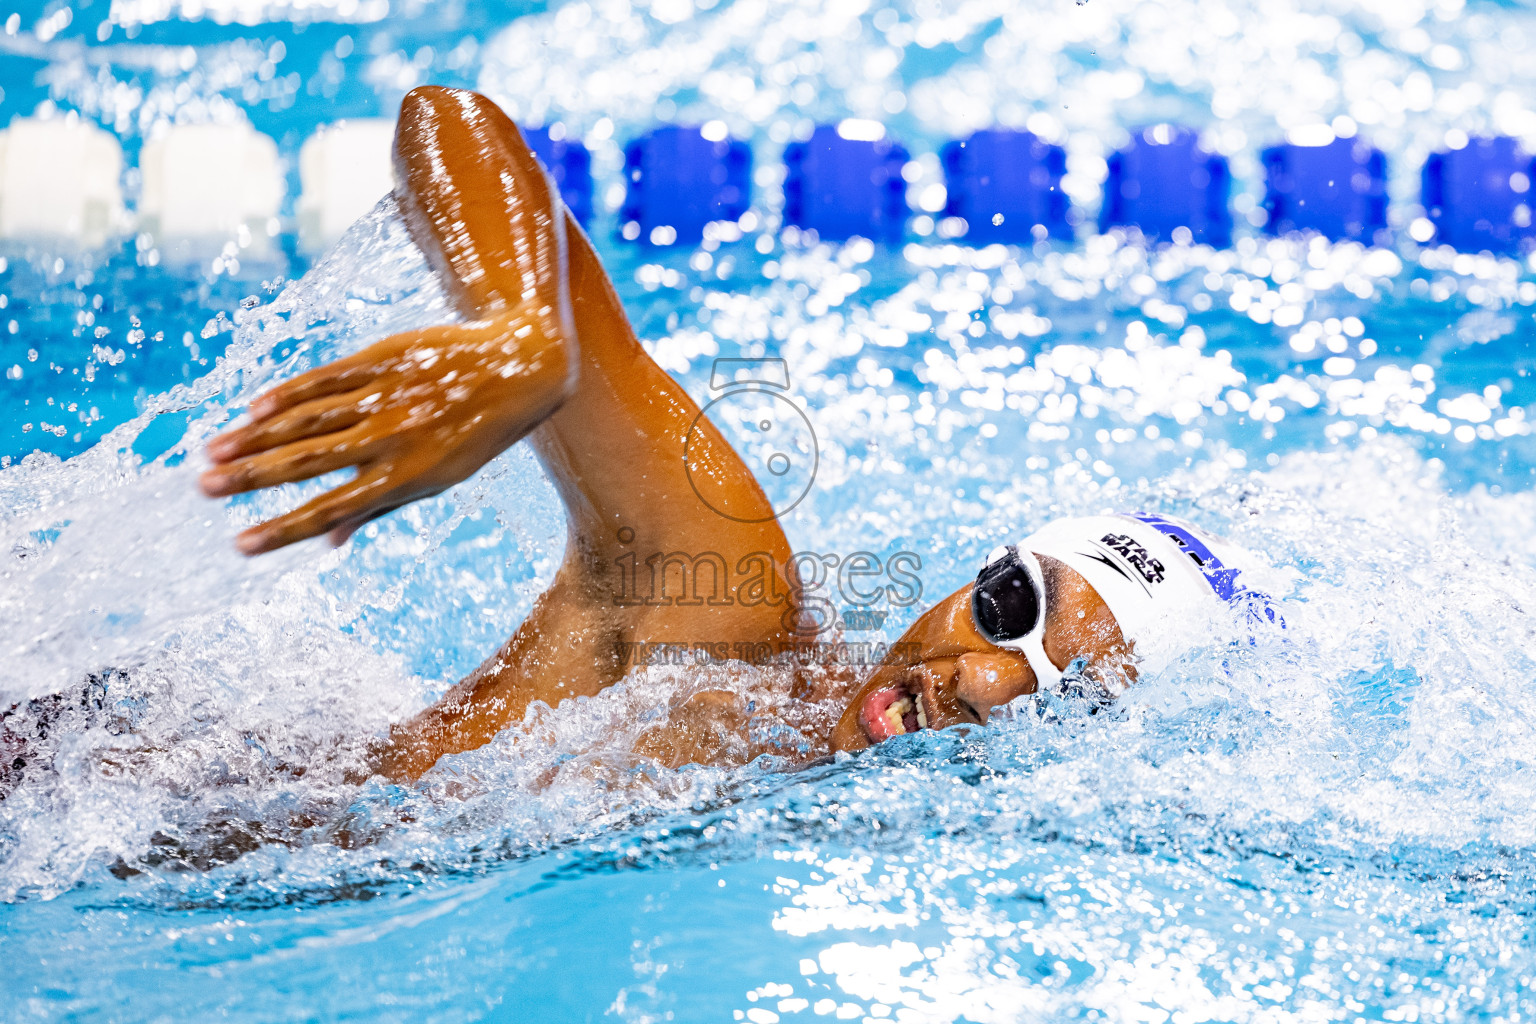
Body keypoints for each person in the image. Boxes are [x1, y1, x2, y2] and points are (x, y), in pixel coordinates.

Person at [199, 86, 1273, 783]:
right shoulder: (732, 618)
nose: (987, 684)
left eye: (1073, 699)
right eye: (1009, 608)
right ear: (973, 573)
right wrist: (527, 339)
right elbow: (453, 125)